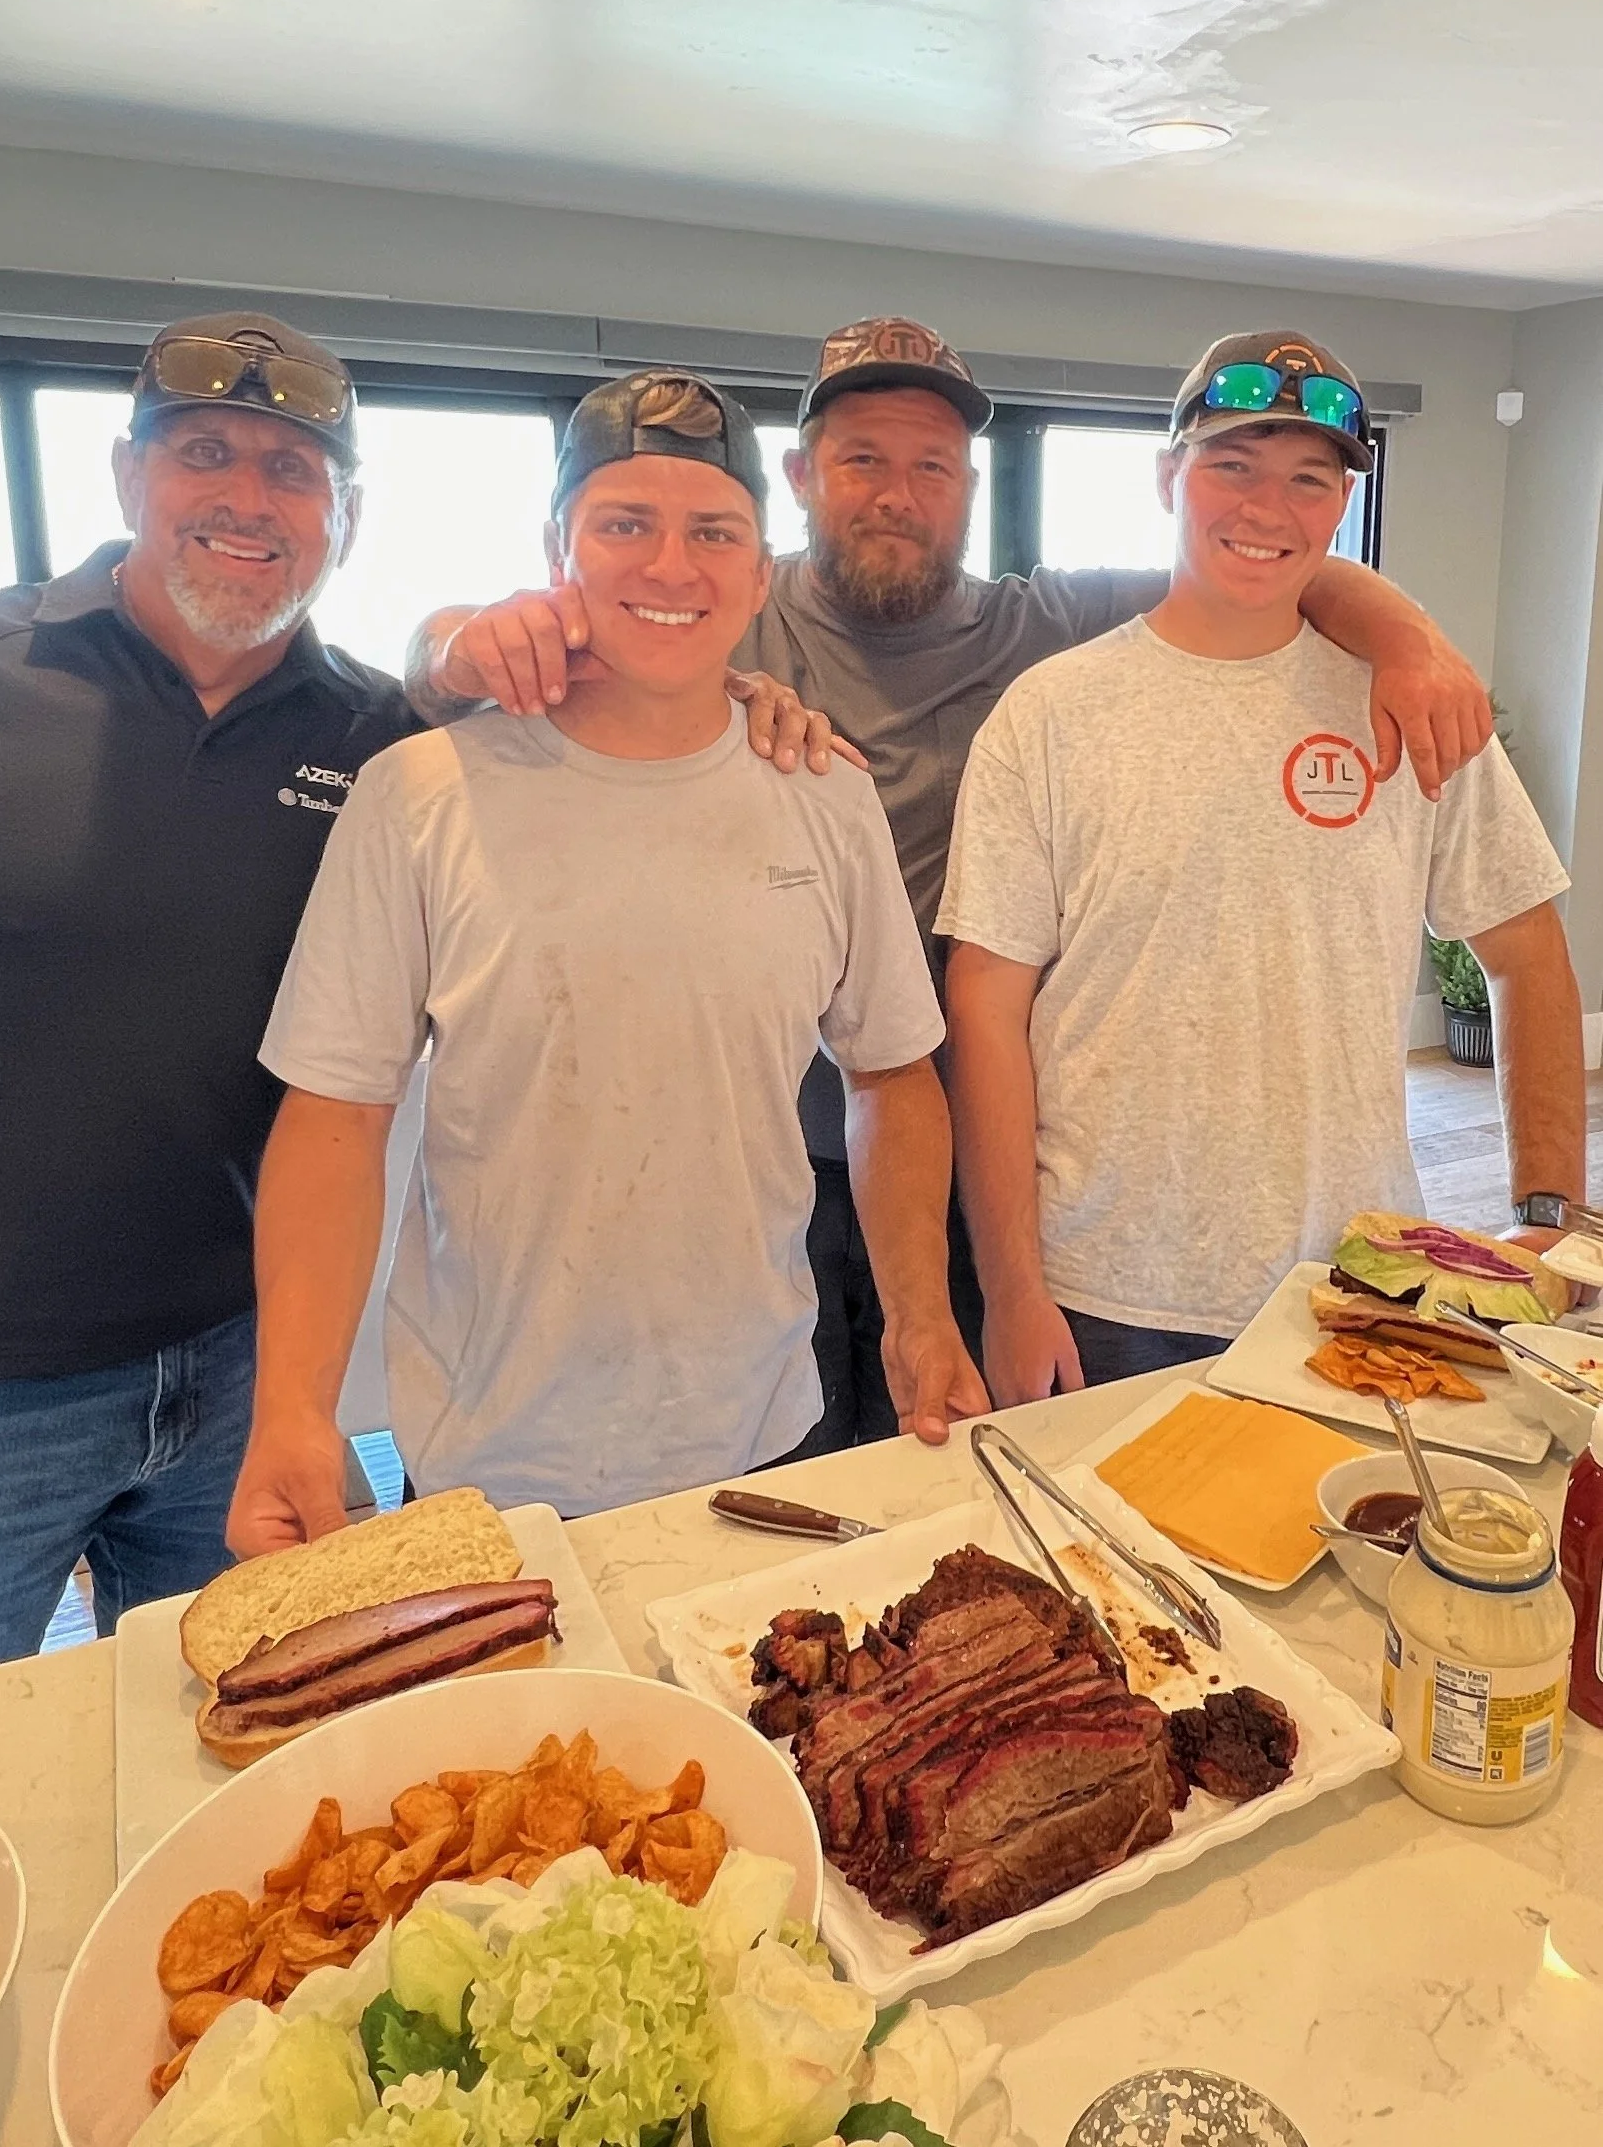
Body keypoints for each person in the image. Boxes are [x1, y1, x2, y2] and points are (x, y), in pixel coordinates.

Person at [0, 316, 836, 1704]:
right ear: (128, 476)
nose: (249, 498)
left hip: (240, 1363)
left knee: (237, 1751)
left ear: (345, 517)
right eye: (206, 455)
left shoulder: (367, 738)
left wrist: (746, 695)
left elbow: (564, 717)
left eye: (296, 472)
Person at [405, 316, 1497, 1442]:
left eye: (931, 465)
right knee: (753, 1454)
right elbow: (492, 649)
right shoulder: (709, 604)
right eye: (862, 458)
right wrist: (444, 640)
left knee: (939, 1448)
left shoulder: (1042, 625)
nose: (897, 492)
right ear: (798, 475)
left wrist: (1413, 641)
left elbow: (1270, 566)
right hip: (746, 1152)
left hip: (945, 1138)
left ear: (968, 484)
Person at [226, 369, 989, 1555]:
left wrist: (920, 1315)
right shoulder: (419, 793)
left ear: (758, 570)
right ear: (557, 548)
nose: (671, 568)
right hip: (492, 1450)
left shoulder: (825, 792)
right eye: (625, 524)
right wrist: (293, 1409)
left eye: (712, 532)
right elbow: (335, 1115)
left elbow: (891, 1074)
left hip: (762, 1418)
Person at [937, 330, 1584, 1399]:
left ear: (1337, 509)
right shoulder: (1050, 714)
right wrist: (1011, 1289)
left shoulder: (1407, 705)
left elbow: (1526, 950)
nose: (1265, 507)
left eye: (1306, 479)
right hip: (1102, 1289)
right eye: (1230, 464)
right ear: (1167, 477)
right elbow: (987, 1005)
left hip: (1354, 1274)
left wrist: (1546, 1213)